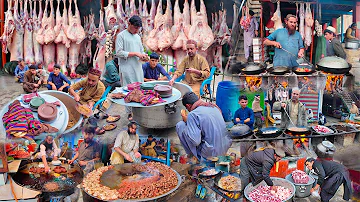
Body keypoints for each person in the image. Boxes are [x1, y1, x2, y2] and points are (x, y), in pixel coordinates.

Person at [176, 92, 231, 161]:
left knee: (180, 125)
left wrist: (187, 121)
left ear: (188, 106)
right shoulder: (213, 107)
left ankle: (193, 157)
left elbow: (195, 141)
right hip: (224, 147)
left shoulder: (193, 114)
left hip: (211, 154)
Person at [115, 15, 149, 120]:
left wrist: (144, 55)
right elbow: (119, 52)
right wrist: (135, 53)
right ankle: (130, 113)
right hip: (126, 68)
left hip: (137, 67)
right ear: (129, 24)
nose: (136, 31)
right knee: (128, 90)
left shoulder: (138, 37)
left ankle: (140, 111)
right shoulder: (121, 36)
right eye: (135, 28)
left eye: (138, 29)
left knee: (139, 88)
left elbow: (141, 50)